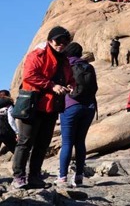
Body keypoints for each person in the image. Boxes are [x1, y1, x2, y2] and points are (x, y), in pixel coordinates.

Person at [12, 26, 74, 190]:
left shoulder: (65, 59)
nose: (61, 44)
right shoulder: (38, 54)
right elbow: (29, 75)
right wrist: (52, 85)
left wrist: (70, 85)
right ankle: (18, 177)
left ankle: (34, 177)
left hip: (51, 106)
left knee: (42, 144)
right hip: (33, 105)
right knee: (25, 142)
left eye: (65, 41)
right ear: (50, 40)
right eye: (58, 40)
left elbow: (70, 78)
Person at [58, 42, 98, 187]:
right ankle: (79, 176)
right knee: (80, 142)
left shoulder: (65, 65)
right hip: (89, 107)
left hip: (70, 105)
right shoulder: (89, 66)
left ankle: (62, 177)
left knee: (67, 142)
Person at [0, 90, 18, 155]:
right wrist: (17, 132)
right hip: (6, 131)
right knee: (17, 151)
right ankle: (26, 164)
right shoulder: (8, 105)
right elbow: (11, 121)